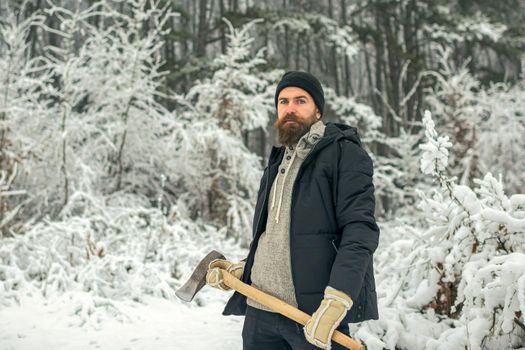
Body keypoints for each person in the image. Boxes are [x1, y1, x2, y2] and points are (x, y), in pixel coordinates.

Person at [206, 71, 380, 350]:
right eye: (283, 101)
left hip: (313, 315)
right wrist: (245, 271)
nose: (290, 108)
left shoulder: (344, 154)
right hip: (260, 311)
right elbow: (273, 235)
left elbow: (360, 229)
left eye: (300, 100)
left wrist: (339, 298)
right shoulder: (277, 162)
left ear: (318, 110)